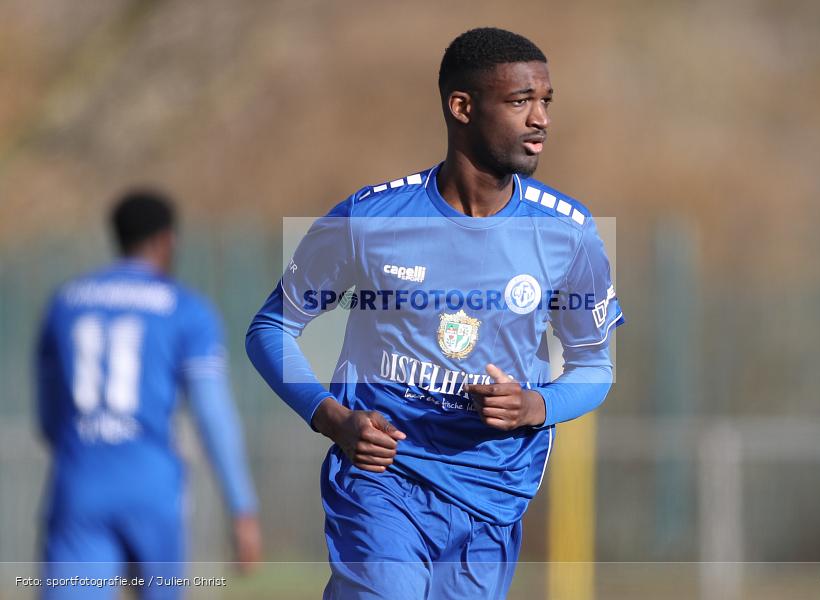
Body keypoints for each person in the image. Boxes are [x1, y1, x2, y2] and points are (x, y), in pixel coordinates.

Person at [246, 27, 624, 599]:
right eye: (520, 101)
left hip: (490, 497)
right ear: (462, 107)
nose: (540, 118)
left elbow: (595, 367)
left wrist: (533, 405)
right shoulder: (371, 220)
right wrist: (332, 418)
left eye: (546, 101)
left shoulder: (568, 233)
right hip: (382, 481)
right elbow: (271, 327)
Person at [36, 189, 262, 599]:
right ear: (166, 240)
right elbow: (212, 412)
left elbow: (49, 416)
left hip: (80, 479)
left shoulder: (65, 303)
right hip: (151, 483)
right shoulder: (186, 309)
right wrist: (241, 505)